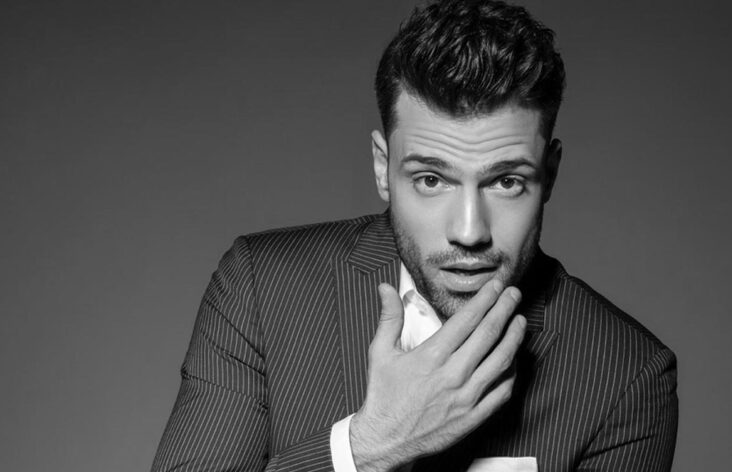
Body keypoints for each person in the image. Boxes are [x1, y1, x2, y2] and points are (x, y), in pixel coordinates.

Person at [151, 0, 678, 470]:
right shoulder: (261, 288)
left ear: (550, 175)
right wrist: (368, 447)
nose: (469, 231)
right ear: (383, 168)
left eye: (506, 181)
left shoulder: (626, 374)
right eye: (431, 179)